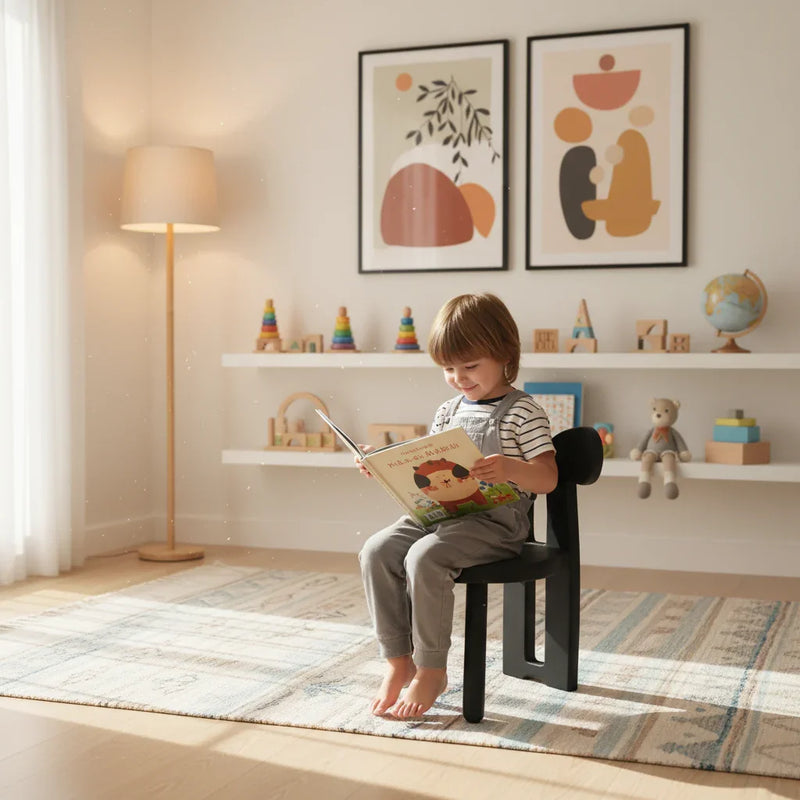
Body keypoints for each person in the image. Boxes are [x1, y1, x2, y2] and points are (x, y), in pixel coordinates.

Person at [357, 293, 558, 719]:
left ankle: (431, 668)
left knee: (425, 558)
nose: (458, 378)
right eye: (448, 368)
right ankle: (398, 660)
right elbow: (429, 469)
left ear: (504, 354)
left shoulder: (523, 413)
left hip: (495, 525)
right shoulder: (447, 411)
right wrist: (384, 466)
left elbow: (549, 477)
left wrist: (511, 468)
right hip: (439, 513)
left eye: (470, 366)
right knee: (376, 550)